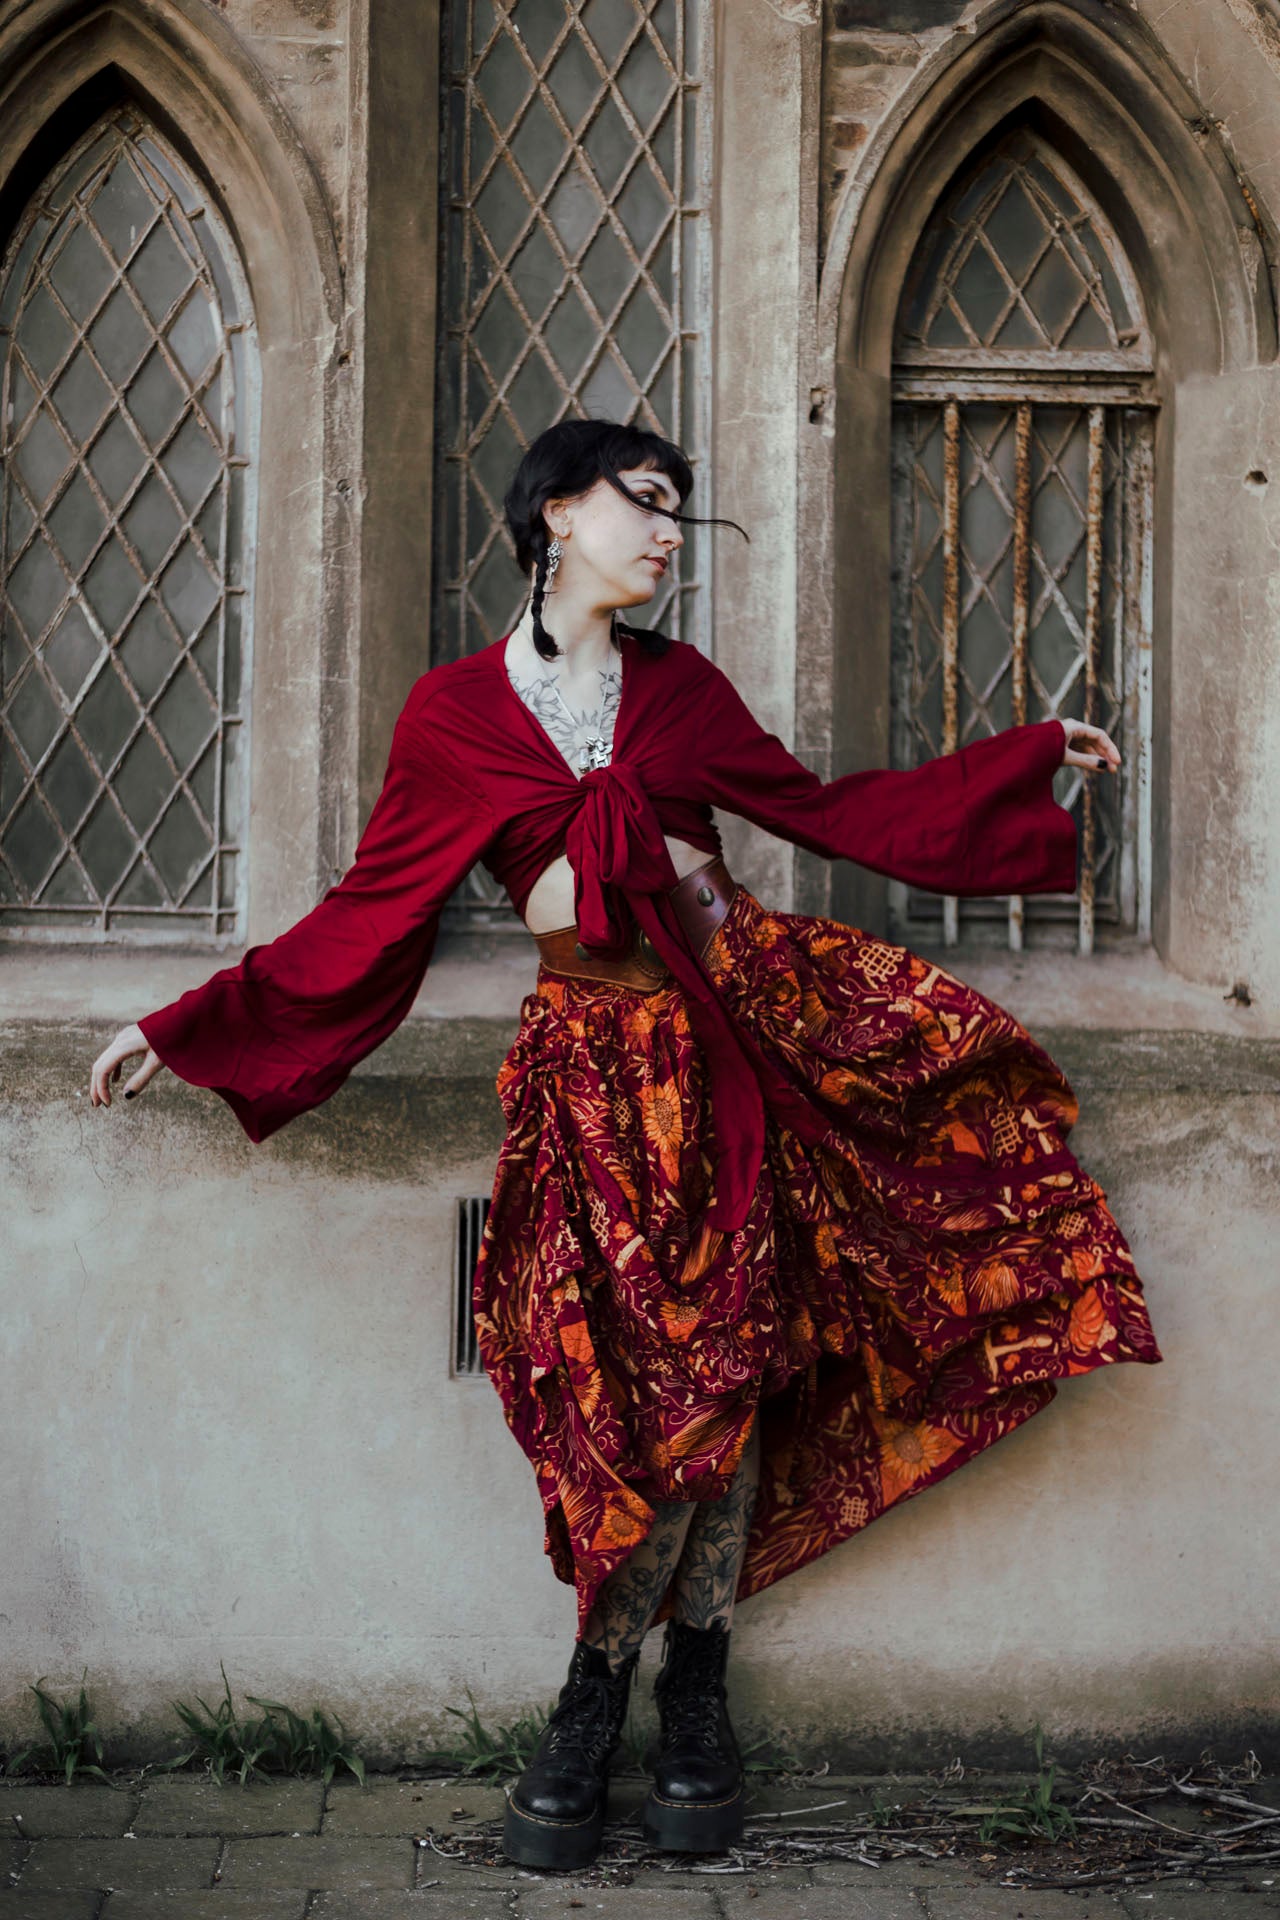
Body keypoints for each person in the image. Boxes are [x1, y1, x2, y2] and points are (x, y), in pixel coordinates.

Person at [90, 418, 1160, 1871]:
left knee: (719, 1379)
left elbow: (826, 809)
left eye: (679, 511)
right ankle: (614, 1688)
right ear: (554, 518)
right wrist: (183, 1027)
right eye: (644, 505)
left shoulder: (680, 693)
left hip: (731, 1066)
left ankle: (669, 1704)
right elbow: (368, 912)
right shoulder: (455, 717)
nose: (668, 535)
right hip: (586, 1092)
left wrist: (1025, 763)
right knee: (617, 1404)